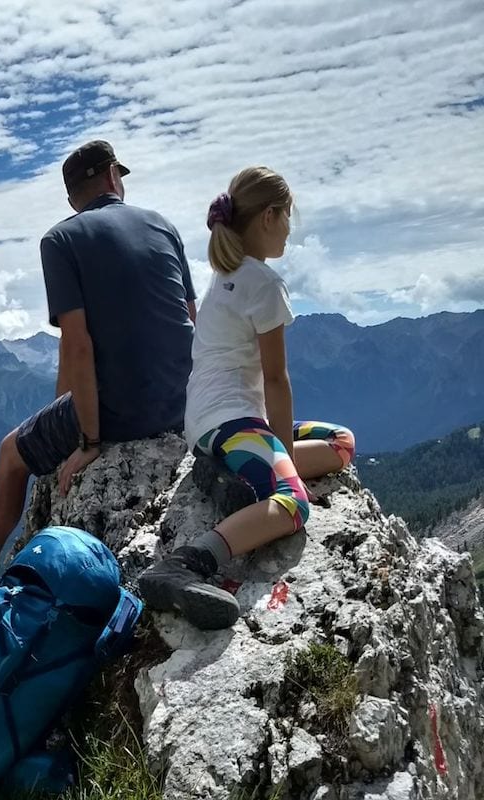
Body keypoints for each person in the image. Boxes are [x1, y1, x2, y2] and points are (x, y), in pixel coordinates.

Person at [0, 140, 198, 606]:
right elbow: (190, 317)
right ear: (112, 176)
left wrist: (87, 440)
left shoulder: (61, 240)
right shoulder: (164, 226)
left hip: (122, 412)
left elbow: (78, 342)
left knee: (10, 454)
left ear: (72, 198)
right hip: (185, 401)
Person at [138, 167, 356, 630]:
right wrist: (285, 468)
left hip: (212, 423)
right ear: (269, 216)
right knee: (294, 503)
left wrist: (277, 451)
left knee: (341, 443)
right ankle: (187, 563)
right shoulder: (264, 284)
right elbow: (276, 380)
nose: (290, 230)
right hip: (234, 422)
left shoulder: (227, 272)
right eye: (288, 216)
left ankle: (239, 475)